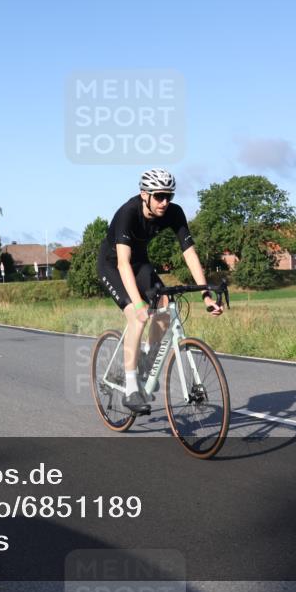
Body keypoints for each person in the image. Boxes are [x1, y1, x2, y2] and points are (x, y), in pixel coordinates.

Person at [97, 169, 223, 414]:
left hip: (140, 262)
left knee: (164, 303)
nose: (165, 202)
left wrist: (205, 294)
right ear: (145, 195)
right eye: (159, 196)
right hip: (113, 265)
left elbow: (190, 254)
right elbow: (123, 264)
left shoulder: (173, 212)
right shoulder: (128, 213)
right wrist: (139, 303)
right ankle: (132, 388)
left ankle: (144, 357)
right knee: (136, 314)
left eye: (169, 196)